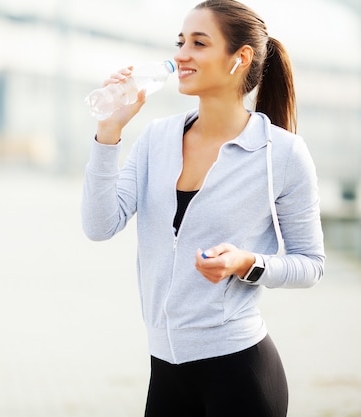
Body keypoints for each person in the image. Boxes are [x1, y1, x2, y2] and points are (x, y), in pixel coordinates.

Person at [80, 1, 326, 416]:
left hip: (241, 375)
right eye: (180, 42)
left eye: (198, 43)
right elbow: (99, 225)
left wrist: (247, 262)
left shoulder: (280, 153)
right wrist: (109, 132)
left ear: (239, 58)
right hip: (165, 372)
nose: (180, 54)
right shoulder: (156, 139)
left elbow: (311, 264)